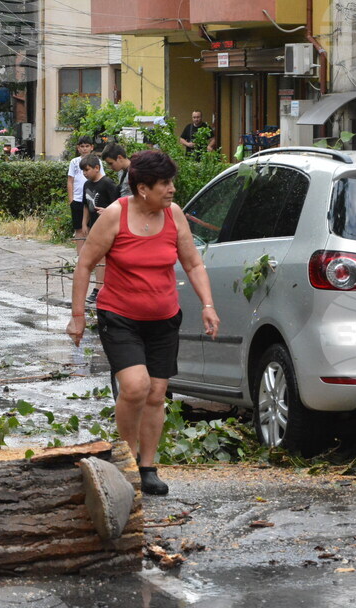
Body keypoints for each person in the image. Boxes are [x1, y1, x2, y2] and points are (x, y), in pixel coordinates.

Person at [66, 150, 220, 496]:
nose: (172, 190)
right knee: (135, 386)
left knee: (156, 393)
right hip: (120, 317)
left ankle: (147, 467)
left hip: (163, 319)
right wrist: (78, 315)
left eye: (171, 182)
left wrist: (208, 305)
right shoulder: (116, 216)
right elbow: (85, 264)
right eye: (165, 184)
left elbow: (194, 264)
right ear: (142, 188)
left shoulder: (174, 215)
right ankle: (125, 458)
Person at [80, 154, 119, 304]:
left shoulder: (108, 183)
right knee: (96, 259)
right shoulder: (86, 185)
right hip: (93, 226)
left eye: (87, 170)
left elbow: (117, 204)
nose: (85, 173)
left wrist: (108, 211)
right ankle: (99, 287)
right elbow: (86, 205)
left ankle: (99, 289)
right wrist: (85, 223)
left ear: (97, 168)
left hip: (106, 227)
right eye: (83, 170)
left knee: (102, 258)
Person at [67, 137, 94, 240]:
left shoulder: (97, 162)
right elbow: (70, 181)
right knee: (79, 228)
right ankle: (79, 254)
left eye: (87, 146)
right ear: (78, 148)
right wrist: (71, 200)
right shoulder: (74, 162)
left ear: (92, 147)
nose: (84, 149)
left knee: (91, 227)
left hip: (91, 198)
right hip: (77, 199)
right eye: (82, 146)